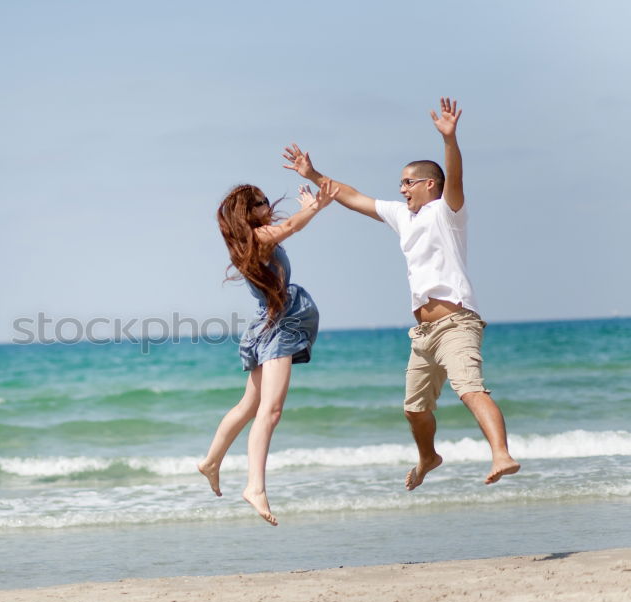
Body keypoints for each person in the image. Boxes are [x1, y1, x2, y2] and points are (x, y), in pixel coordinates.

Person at [283, 98, 520, 490]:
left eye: (408, 182)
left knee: (471, 389)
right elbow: (352, 195)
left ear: (429, 185)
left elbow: (455, 177)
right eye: (400, 183)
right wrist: (313, 173)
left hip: (457, 322)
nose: (401, 188)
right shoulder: (402, 216)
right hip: (423, 334)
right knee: (414, 410)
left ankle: (501, 453)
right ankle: (429, 456)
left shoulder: (448, 212)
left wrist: (450, 139)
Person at [198, 179, 339, 525]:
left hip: (270, 323)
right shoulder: (258, 238)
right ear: (248, 212)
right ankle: (255, 487)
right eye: (260, 202)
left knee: (250, 405)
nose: (267, 204)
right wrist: (313, 208)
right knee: (270, 410)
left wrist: (314, 208)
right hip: (278, 327)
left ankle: (211, 462)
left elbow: (288, 227)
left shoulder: (253, 239)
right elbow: (290, 226)